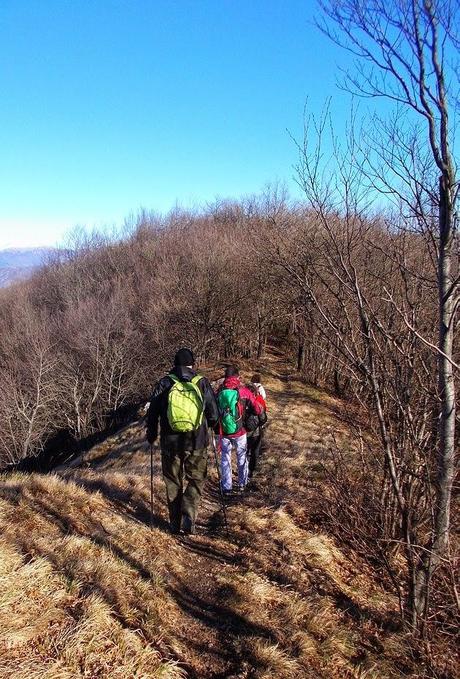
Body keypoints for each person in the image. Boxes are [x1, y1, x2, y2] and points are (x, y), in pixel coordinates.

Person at [146, 348, 219, 535]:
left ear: (174, 363)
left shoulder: (165, 382)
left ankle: (174, 523)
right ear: (192, 363)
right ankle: (188, 513)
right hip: (197, 442)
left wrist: (152, 434)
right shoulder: (201, 382)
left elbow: (152, 412)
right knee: (196, 478)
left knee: (173, 481)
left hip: (170, 443)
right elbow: (213, 412)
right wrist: (213, 426)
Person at [216, 366, 263, 493]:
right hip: (240, 431)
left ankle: (227, 487)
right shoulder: (243, 391)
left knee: (225, 458)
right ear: (237, 377)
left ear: (225, 378)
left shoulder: (219, 391)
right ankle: (243, 483)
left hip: (224, 431)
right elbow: (257, 409)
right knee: (241, 456)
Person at [246, 383, 267, 478]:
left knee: (243, 452)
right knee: (254, 452)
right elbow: (263, 418)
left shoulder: (241, 402)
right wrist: (258, 425)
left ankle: (243, 472)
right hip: (256, 433)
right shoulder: (257, 402)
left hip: (243, 433)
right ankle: (251, 471)